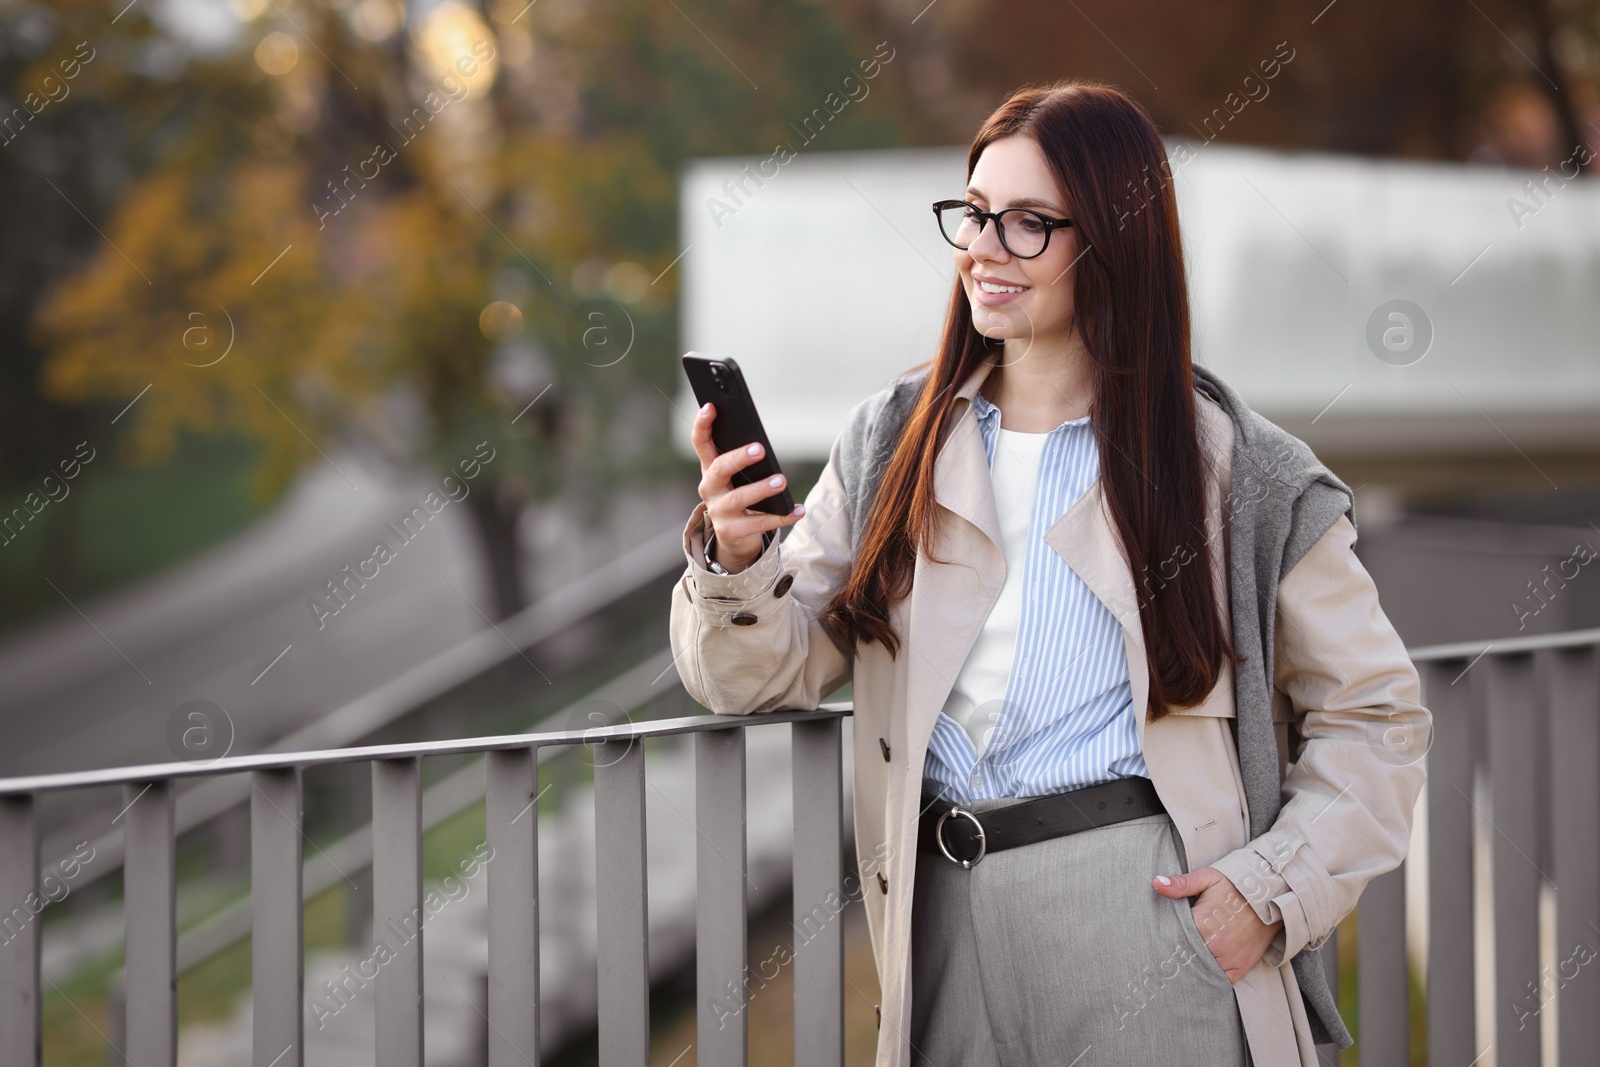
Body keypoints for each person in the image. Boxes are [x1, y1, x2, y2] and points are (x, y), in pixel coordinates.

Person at [669, 78, 1430, 1067]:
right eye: (974, 214)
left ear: (1112, 240)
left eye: (1028, 224)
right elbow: (753, 674)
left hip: (1147, 915)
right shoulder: (893, 438)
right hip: (938, 916)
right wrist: (737, 558)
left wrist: (1266, 888)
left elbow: (1374, 712)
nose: (983, 248)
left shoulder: (1242, 471)